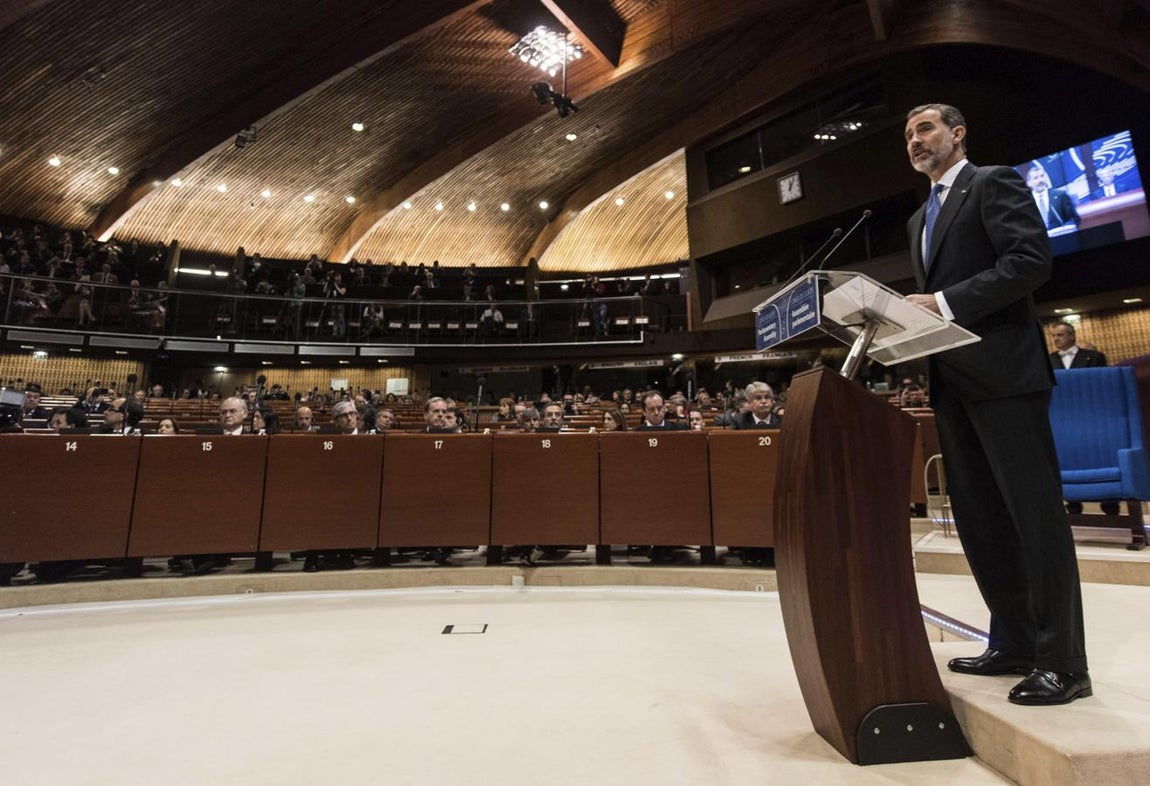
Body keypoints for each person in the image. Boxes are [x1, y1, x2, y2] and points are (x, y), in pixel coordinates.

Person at [904, 103, 1089, 705]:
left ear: (958, 134)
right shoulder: (918, 220)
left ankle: (1064, 662)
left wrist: (944, 303)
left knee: (1033, 519)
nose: (914, 140)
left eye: (925, 128)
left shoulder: (993, 182)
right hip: (952, 384)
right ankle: (1013, 641)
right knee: (982, 524)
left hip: (1006, 377)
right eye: (907, 135)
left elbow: (1030, 262)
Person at [1024, 161, 1079, 230]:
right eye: (1036, 178)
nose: (1040, 180)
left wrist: (1064, 230)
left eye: (1042, 176)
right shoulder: (1025, 203)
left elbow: (1074, 219)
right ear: (1029, 183)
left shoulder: (1060, 195)